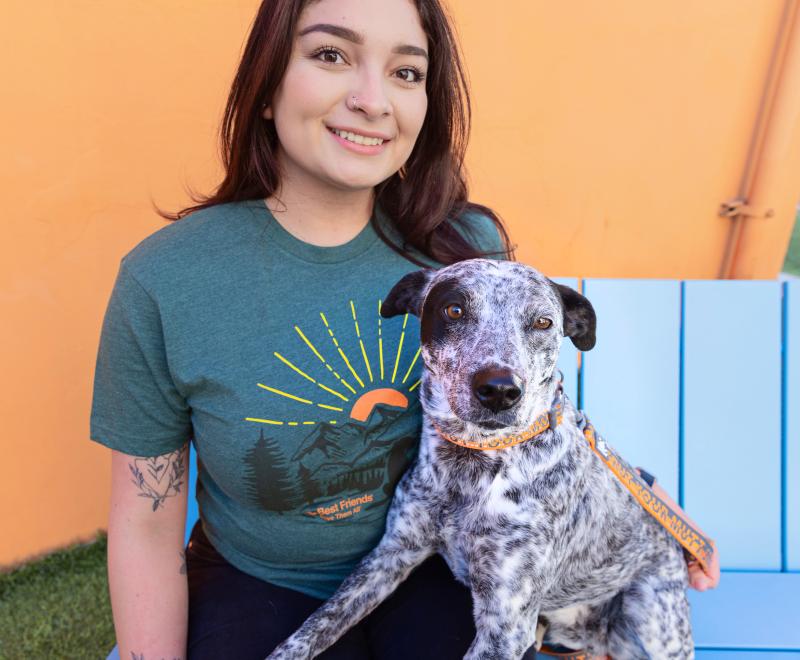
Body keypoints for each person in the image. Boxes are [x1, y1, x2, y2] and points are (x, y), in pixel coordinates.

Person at [89, 1, 718, 658]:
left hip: (442, 570)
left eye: (406, 72)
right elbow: (146, 519)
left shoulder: (466, 248)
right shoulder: (169, 280)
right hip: (259, 579)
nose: (372, 100)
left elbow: (526, 411)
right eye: (330, 55)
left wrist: (639, 502)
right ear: (267, 86)